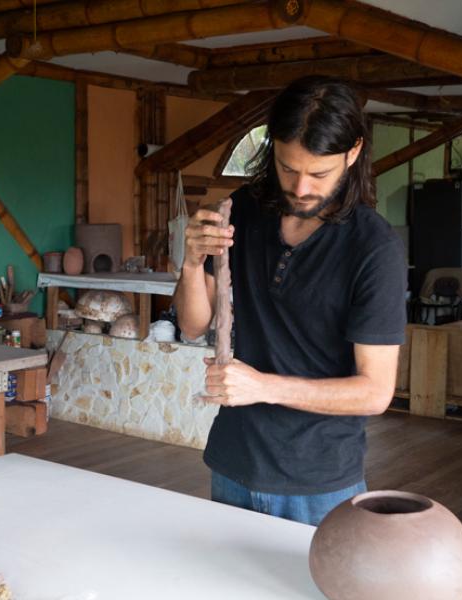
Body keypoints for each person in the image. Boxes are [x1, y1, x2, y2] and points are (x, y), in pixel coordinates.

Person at [173, 76, 407, 526]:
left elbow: (375, 392)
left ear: (353, 153)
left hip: (317, 480)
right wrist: (190, 262)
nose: (300, 188)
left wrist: (262, 386)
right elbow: (192, 325)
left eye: (319, 174)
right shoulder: (243, 211)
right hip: (233, 461)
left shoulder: (374, 248)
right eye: (287, 168)